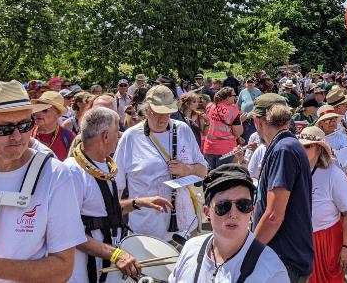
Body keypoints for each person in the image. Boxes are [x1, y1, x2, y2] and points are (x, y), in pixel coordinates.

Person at [0, 80, 87, 281]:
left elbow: (63, 267)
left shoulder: (55, 175)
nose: (17, 136)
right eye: (5, 129)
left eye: (26, 125)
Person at [65, 107, 171, 283]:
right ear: (105, 136)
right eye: (117, 131)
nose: (120, 135)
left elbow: (103, 212)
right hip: (83, 273)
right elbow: (69, 232)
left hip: (108, 269)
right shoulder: (72, 172)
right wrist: (115, 254)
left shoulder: (104, 166)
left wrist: (138, 202)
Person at [114, 85, 208, 240]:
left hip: (184, 225)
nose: (163, 118)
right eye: (158, 113)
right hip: (146, 229)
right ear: (146, 110)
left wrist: (187, 169)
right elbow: (117, 186)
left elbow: (204, 171)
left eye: (168, 113)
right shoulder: (131, 137)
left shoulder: (183, 129)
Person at [169, 164, 289, 282]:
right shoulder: (190, 249)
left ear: (251, 211)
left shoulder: (272, 272)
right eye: (223, 206)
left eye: (243, 205)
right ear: (207, 212)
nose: (233, 214)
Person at [251, 97, 314, 282]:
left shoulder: (283, 150)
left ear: (258, 121)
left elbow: (273, 217)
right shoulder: (285, 145)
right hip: (285, 258)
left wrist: (249, 253)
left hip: (284, 261)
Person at [297, 126, 347, 283]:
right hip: (300, 240)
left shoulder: (333, 174)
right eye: (300, 146)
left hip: (327, 241)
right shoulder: (294, 170)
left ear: (318, 148)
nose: (302, 149)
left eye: (307, 146)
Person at [202, 87, 243, 170]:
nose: (235, 97)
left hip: (209, 147)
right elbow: (238, 133)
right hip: (225, 150)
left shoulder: (211, 106)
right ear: (227, 97)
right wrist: (241, 121)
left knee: (209, 177)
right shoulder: (233, 110)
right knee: (222, 178)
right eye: (234, 95)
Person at [33, 90, 76, 160]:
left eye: (45, 110)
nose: (38, 112)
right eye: (38, 108)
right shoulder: (26, 133)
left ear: (58, 113)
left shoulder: (69, 137)